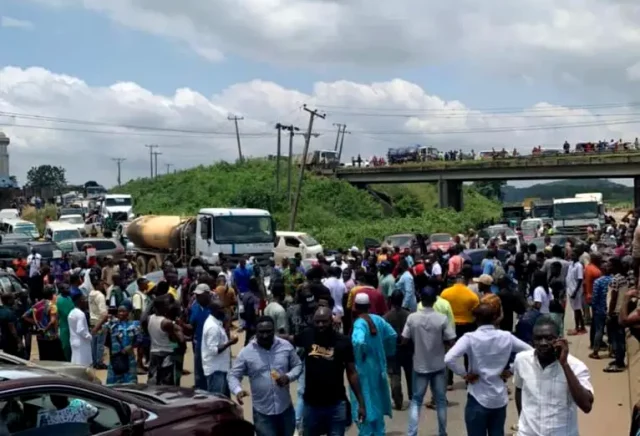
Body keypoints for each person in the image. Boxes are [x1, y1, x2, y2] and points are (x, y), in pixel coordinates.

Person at [445, 303, 532, 436]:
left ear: (475, 319)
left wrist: (465, 374)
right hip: (499, 397)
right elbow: (529, 351)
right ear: (495, 318)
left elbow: (449, 359)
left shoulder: (469, 338)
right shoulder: (506, 336)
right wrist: (512, 370)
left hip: (477, 396)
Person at [291, 306, 365, 436]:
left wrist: (361, 403)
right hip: (311, 405)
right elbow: (290, 338)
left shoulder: (343, 342)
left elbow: (352, 373)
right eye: (317, 321)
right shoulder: (307, 335)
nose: (320, 325)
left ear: (331, 320)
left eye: (324, 321)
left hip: (336, 405)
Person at [513, 316, 593, 436]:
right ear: (532, 340)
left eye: (549, 338)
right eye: (538, 339)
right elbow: (519, 390)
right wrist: (523, 422)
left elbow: (586, 406)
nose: (543, 343)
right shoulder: (522, 360)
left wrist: (565, 365)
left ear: (559, 339)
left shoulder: (576, 366)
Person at [228, 316, 302, 436]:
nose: (265, 335)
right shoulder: (246, 352)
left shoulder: (285, 346)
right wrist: (238, 390)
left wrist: (288, 377)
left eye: (269, 331)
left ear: (274, 330)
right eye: (261, 332)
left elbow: (297, 365)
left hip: (285, 410)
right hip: (262, 414)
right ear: (256, 332)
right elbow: (233, 375)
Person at [403, 287, 456, 436]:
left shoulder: (412, 318)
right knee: (440, 401)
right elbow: (451, 339)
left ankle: (412, 433)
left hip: (419, 365)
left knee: (416, 401)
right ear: (434, 301)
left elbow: (404, 339)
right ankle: (442, 432)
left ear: (421, 300)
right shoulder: (442, 318)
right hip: (438, 365)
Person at [348, 293, 396, 435]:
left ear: (355, 307)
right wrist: (386, 352)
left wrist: (359, 355)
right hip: (378, 368)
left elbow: (358, 341)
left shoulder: (359, 323)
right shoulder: (378, 320)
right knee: (377, 403)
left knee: (363, 402)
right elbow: (392, 335)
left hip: (363, 370)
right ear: (369, 306)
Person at [384, 290, 413, 410]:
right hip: (408, 349)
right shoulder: (409, 315)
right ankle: (413, 398)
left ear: (391, 301)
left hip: (393, 351)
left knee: (394, 376)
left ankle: (398, 400)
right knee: (410, 374)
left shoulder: (386, 317)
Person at [202, 301, 238, 396]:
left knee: (224, 399)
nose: (225, 311)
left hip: (221, 368)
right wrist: (230, 342)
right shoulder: (212, 327)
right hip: (216, 371)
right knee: (217, 399)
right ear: (215, 311)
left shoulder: (216, 323)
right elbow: (214, 350)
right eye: (222, 309)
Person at [98, 304, 141, 384]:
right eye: (119, 311)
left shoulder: (135, 325)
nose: (121, 313)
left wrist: (131, 346)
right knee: (113, 385)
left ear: (129, 312)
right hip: (116, 359)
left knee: (130, 384)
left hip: (129, 359)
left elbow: (139, 340)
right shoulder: (112, 324)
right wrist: (104, 318)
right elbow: (95, 331)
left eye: (123, 311)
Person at [22, 286, 65, 361]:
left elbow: (24, 316)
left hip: (40, 337)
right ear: (51, 295)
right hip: (51, 337)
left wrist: (36, 323)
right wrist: (45, 329)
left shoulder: (36, 305)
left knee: (44, 359)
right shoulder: (52, 305)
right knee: (54, 360)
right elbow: (52, 321)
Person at [189, 283, 213, 391]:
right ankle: (200, 391)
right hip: (198, 343)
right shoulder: (194, 307)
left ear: (208, 294)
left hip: (212, 344)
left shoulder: (215, 307)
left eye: (200, 295)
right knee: (199, 370)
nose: (197, 297)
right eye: (197, 295)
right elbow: (192, 325)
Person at [68, 293, 92, 366]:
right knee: (83, 365)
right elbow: (80, 329)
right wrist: (89, 336)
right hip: (82, 343)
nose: (86, 302)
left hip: (73, 341)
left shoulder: (71, 313)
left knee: (75, 363)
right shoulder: (81, 314)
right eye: (84, 300)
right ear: (80, 301)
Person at [566, 251, 586, 335]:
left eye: (573, 255)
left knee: (577, 310)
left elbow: (580, 279)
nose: (572, 256)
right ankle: (581, 327)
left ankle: (577, 327)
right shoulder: (571, 264)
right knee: (576, 309)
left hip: (576, 291)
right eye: (571, 255)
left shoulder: (579, 266)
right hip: (570, 290)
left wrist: (575, 291)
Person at [56, 284, 75, 361]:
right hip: (64, 326)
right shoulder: (59, 300)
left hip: (72, 325)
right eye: (66, 288)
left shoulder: (69, 298)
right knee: (66, 346)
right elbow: (65, 313)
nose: (68, 290)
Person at [0, 293, 23, 357]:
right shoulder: (10, 313)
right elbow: (12, 329)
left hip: (4, 340)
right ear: (9, 301)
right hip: (12, 342)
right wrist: (19, 341)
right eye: (13, 299)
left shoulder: (1, 310)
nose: (14, 300)